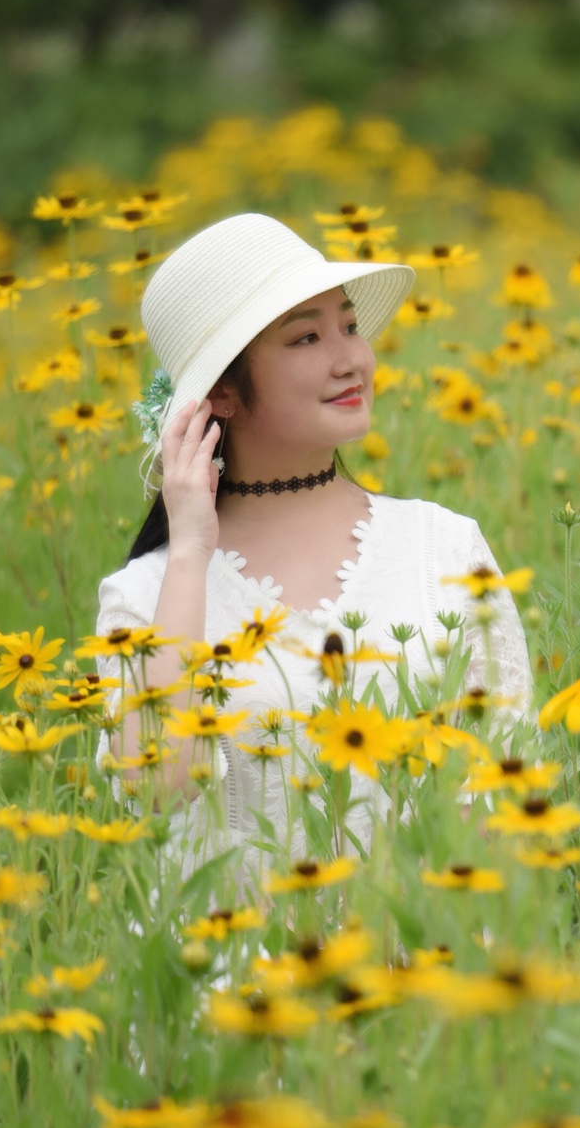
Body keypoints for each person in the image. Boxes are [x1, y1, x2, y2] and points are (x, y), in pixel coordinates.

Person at [91, 213, 533, 894]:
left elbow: (506, 785)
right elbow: (156, 790)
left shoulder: (441, 546)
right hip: (237, 986)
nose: (351, 358)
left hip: (425, 974)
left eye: (350, 326)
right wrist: (190, 551)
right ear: (224, 395)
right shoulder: (149, 595)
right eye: (305, 337)